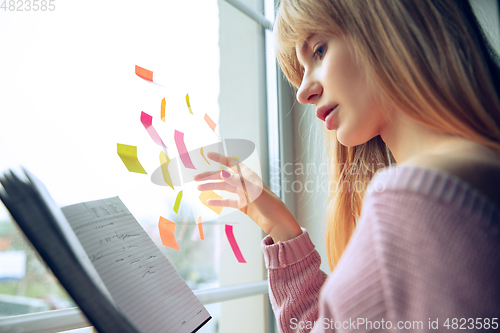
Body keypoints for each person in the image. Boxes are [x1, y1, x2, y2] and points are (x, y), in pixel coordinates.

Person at [195, 0, 500, 331]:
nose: (302, 93)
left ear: (389, 24)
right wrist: (281, 227)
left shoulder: (413, 206)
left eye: (320, 51)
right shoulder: (476, 176)